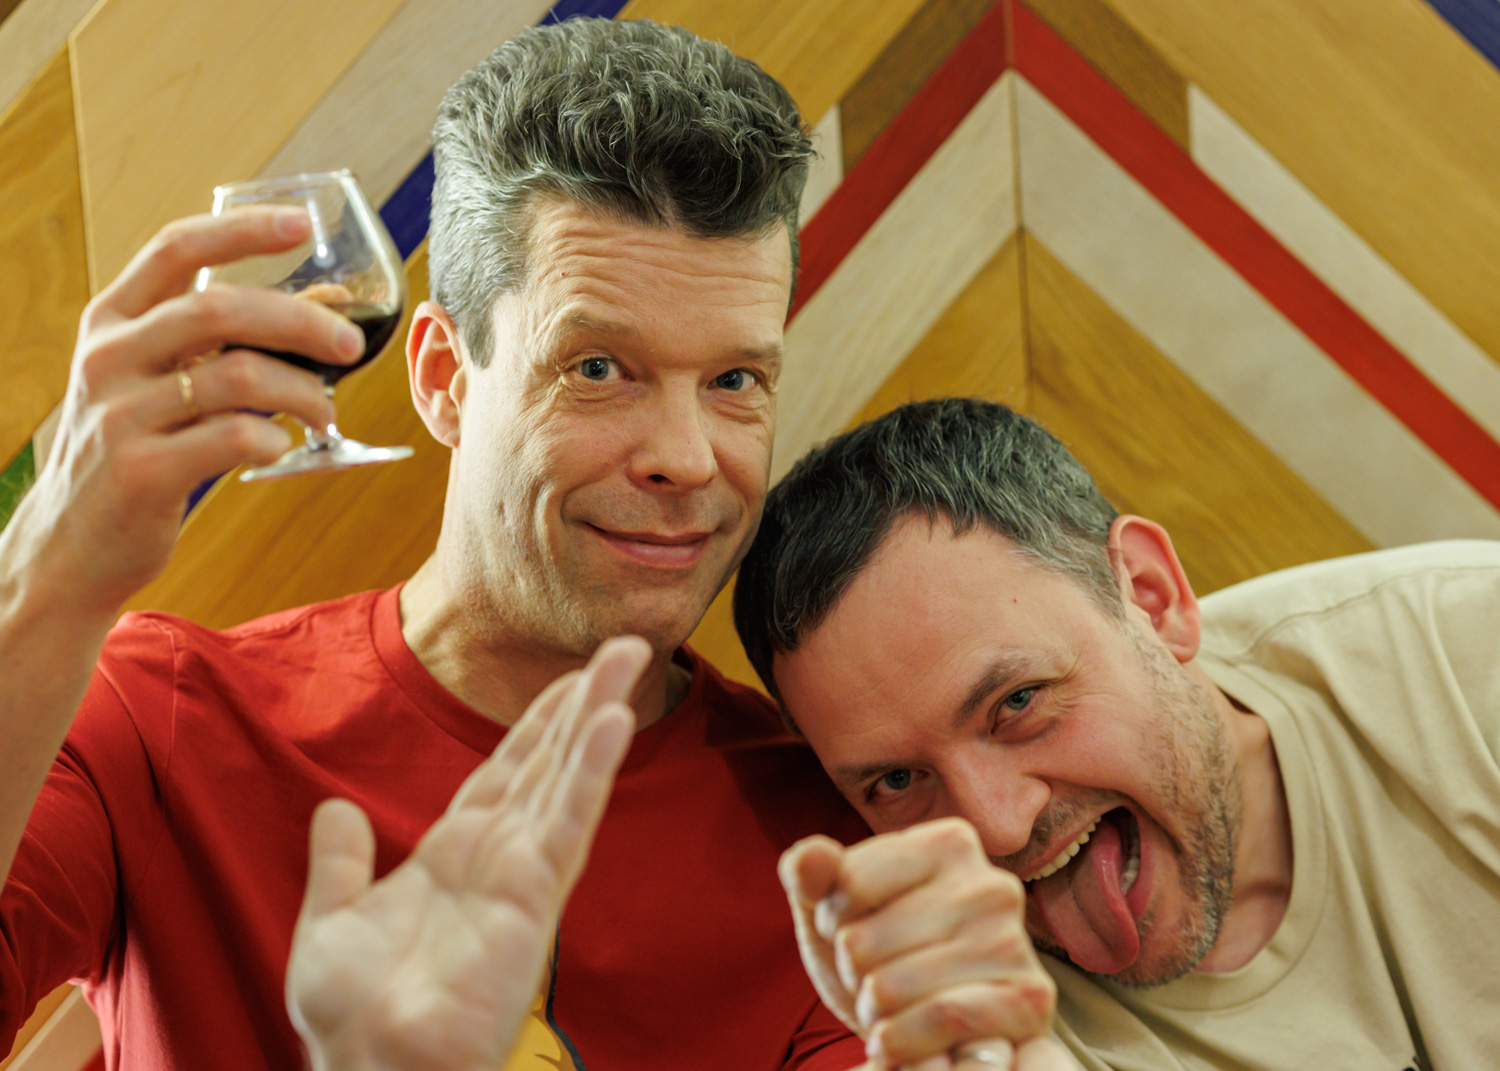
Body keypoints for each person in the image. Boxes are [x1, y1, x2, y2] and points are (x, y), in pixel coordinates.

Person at [0, 19, 1068, 1071]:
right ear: (442, 379)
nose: (685, 457)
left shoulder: (827, 840)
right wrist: (48, 571)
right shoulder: (162, 721)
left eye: (735, 380)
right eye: (598, 368)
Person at [733, 396, 1500, 1070]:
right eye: (897, 781)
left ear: (1152, 597)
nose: (997, 826)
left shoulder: (1464, 649)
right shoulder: (978, 1017)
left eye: (1018, 701)